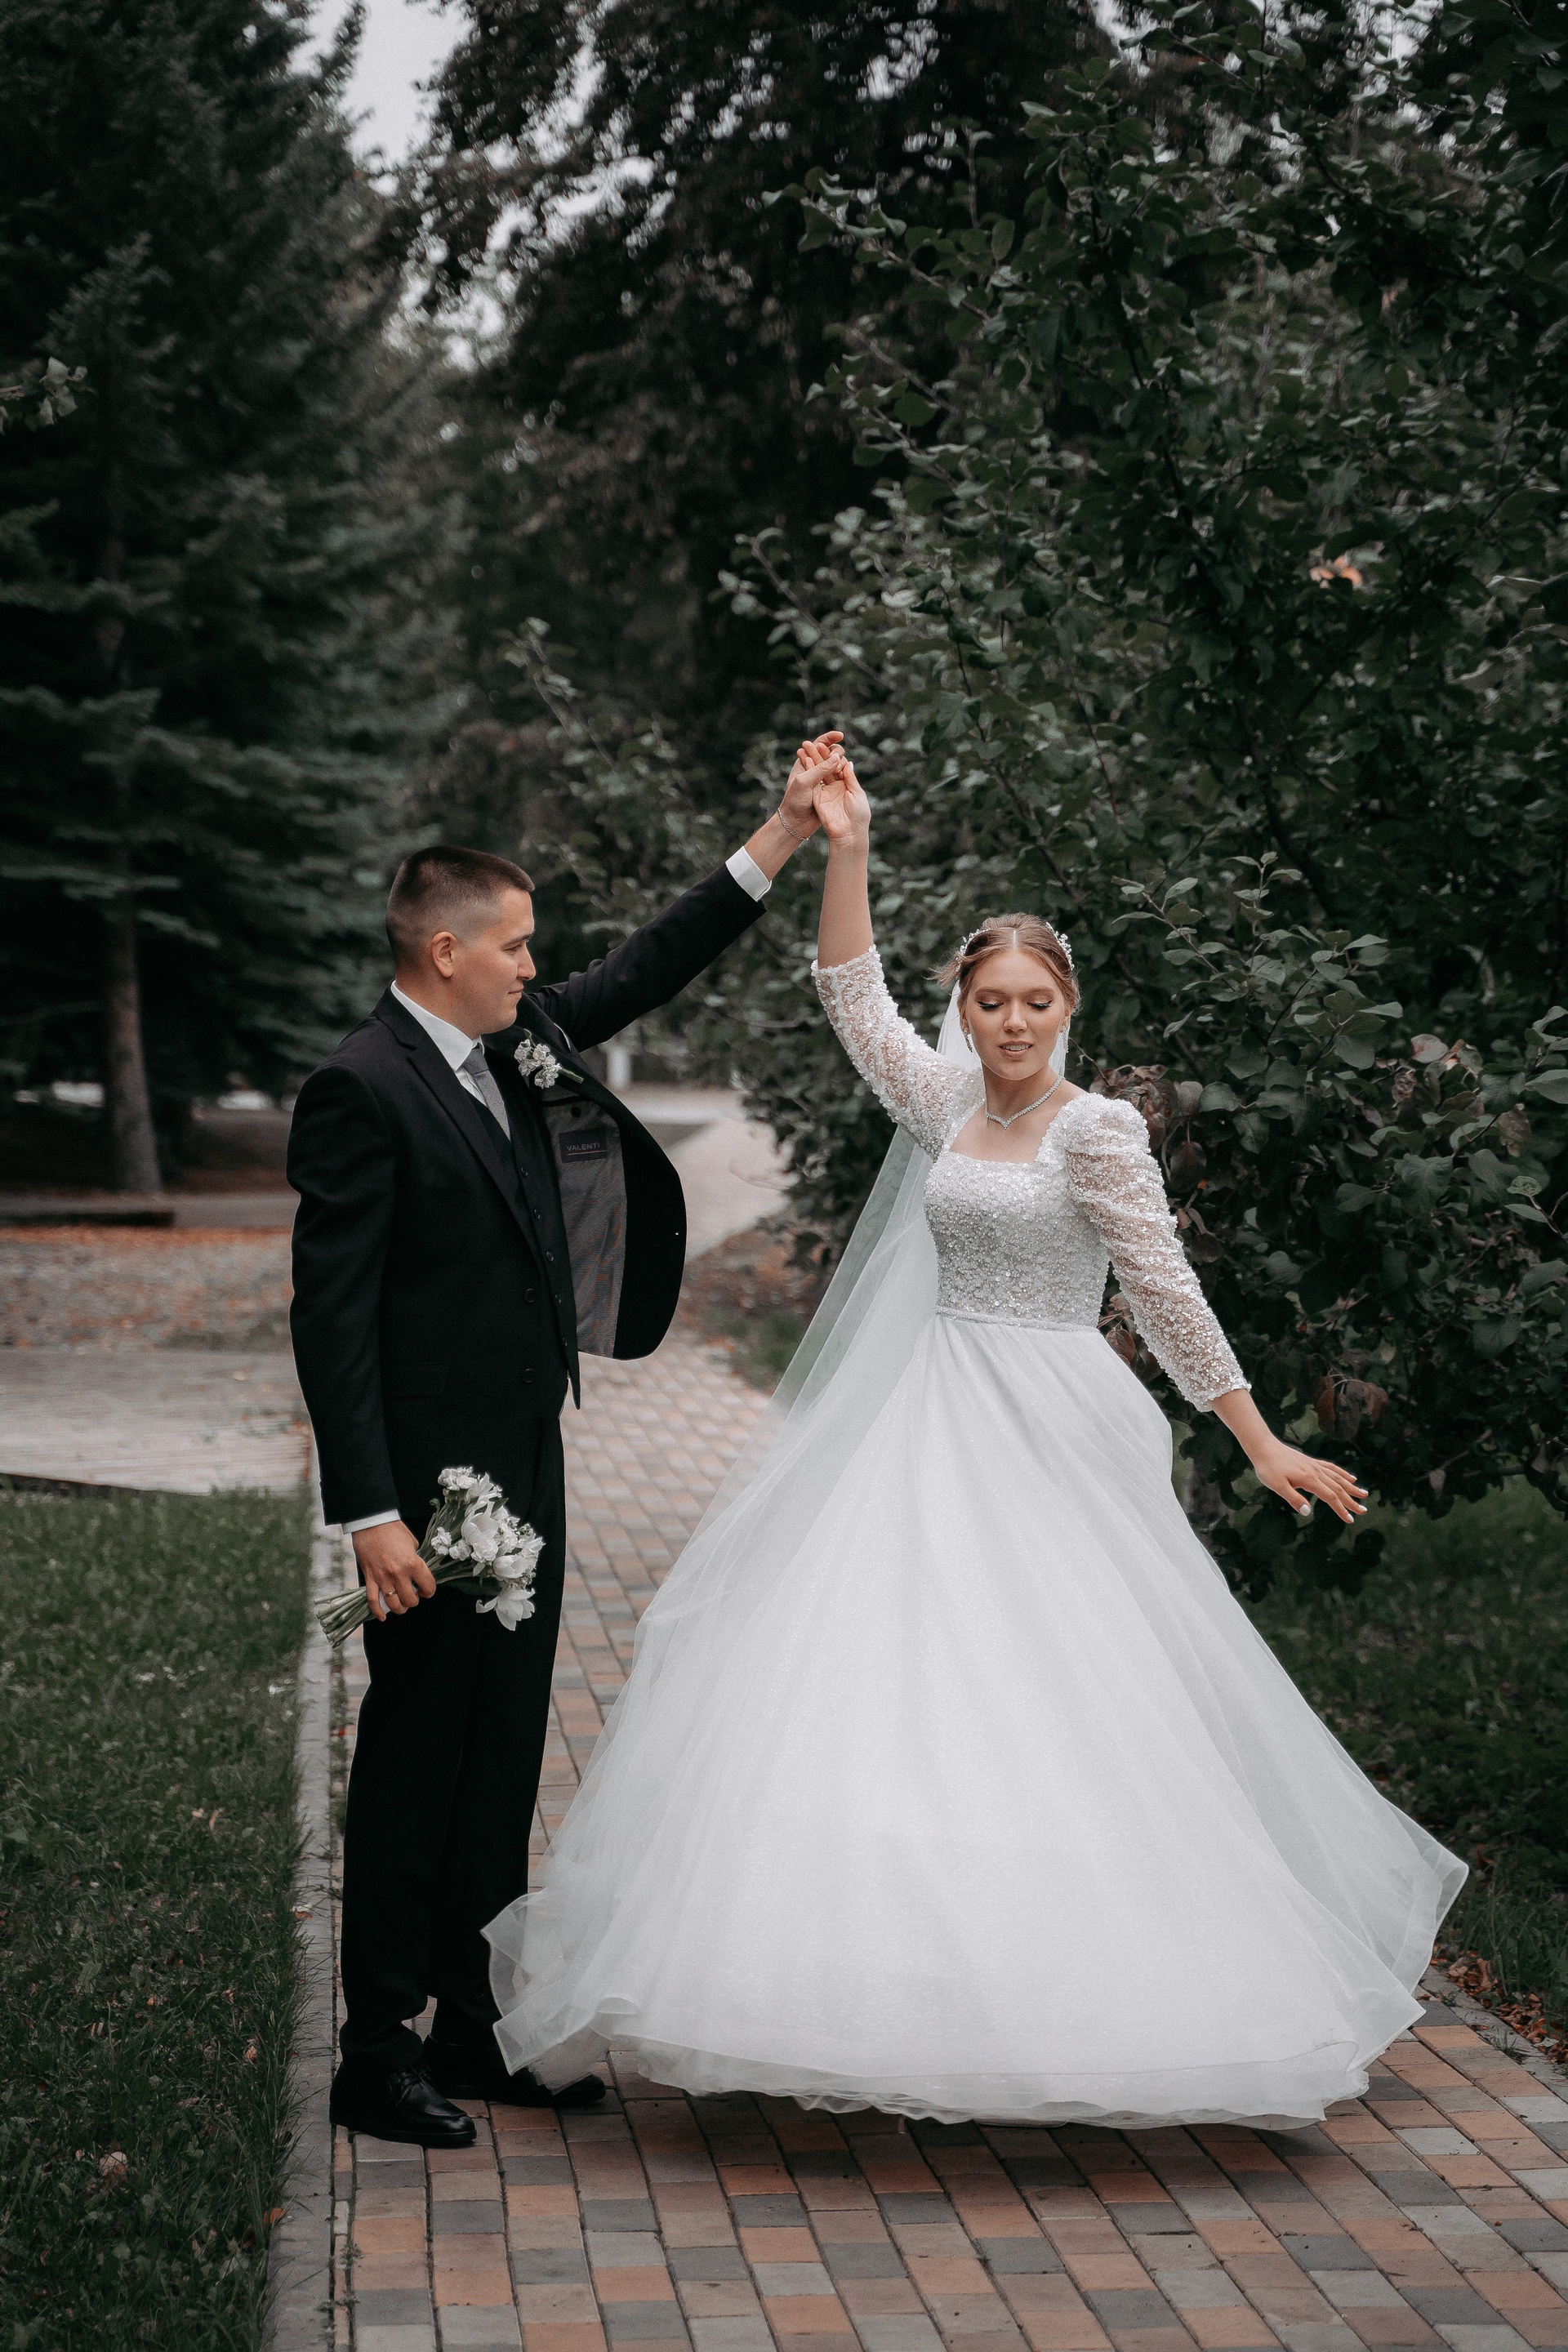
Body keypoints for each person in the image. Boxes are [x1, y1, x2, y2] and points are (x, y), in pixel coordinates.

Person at [483, 746, 1463, 2130]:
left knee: (1066, 1684)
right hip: (932, 1415)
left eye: (1034, 1004)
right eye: (990, 1002)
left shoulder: (1098, 1132)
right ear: (967, 1010)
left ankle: (1093, 1991)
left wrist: (1255, 1439)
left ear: (1069, 1008)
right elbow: (849, 992)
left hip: (1056, 1421)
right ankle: (871, 1979)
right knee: (892, 1678)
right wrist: (846, 845)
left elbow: (1166, 1293)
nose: (1011, 1024)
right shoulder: (942, 1104)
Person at [287, 735, 841, 2149]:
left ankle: (474, 2031)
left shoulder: (513, 1042)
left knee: (503, 1750)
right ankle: (375, 2052)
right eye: (517, 945)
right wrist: (371, 1513)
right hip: (425, 1497)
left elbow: (644, 968)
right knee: (414, 1758)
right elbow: (330, 1324)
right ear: (448, 950)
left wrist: (781, 835)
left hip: (526, 1464)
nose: (537, 966)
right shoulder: (363, 1088)